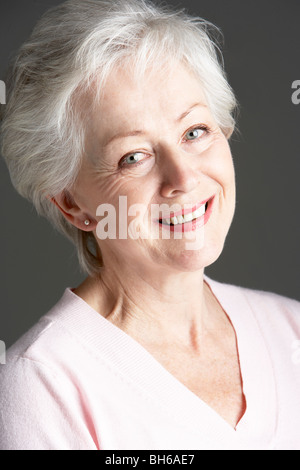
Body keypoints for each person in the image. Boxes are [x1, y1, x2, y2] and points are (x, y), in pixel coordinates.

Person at [0, 0, 299, 451]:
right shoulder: (42, 384)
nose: (183, 178)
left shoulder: (291, 328)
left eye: (195, 131)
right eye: (133, 157)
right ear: (71, 203)